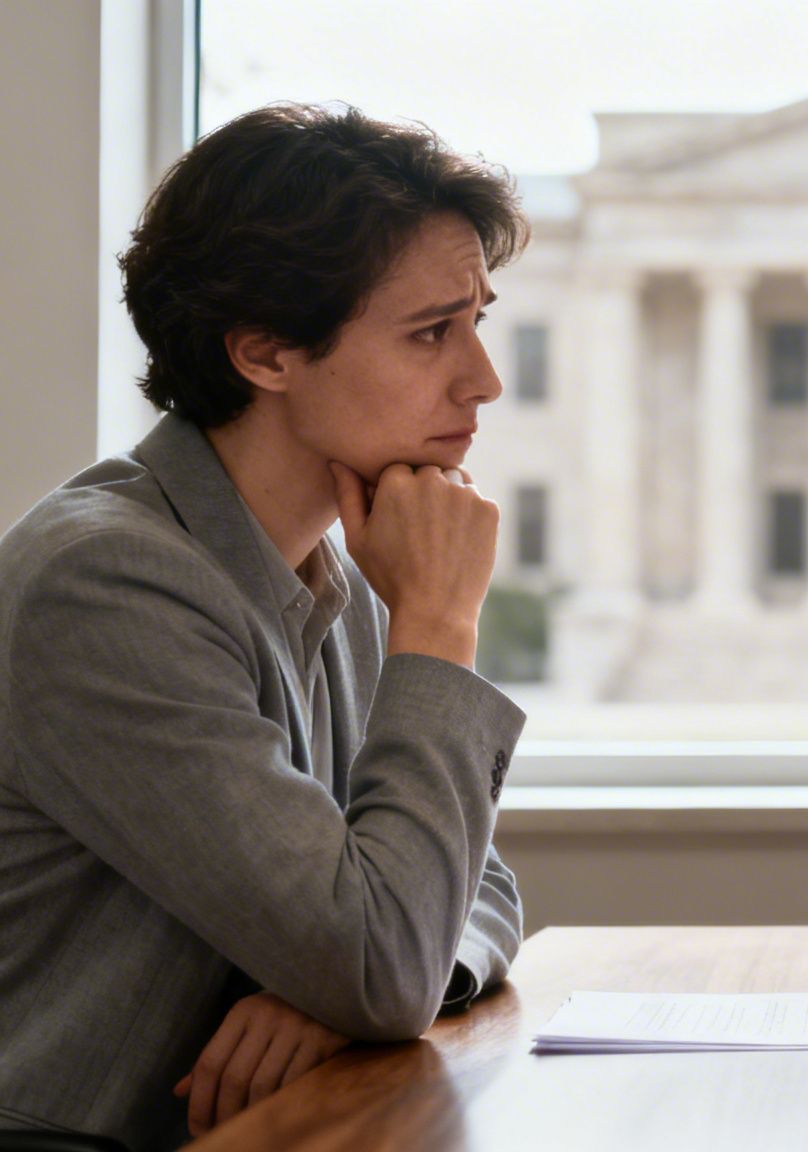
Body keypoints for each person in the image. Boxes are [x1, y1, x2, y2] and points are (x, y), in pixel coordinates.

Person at [0, 104, 530, 1151]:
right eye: (433, 331)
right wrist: (439, 620)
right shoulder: (106, 581)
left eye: (477, 319)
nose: (483, 381)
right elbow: (382, 952)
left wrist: (340, 987)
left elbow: (471, 884)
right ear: (264, 351)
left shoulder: (336, 562)